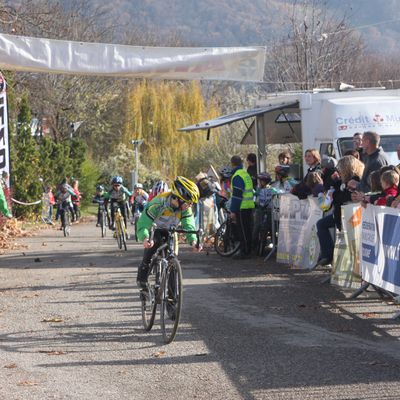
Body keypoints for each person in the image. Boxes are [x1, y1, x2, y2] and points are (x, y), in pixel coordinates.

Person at [136, 176, 201, 289]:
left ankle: (172, 300)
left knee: (173, 260)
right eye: (188, 202)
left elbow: (189, 225)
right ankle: (142, 279)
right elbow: (143, 223)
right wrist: (145, 237)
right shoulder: (158, 203)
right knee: (150, 250)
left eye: (191, 203)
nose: (190, 206)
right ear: (177, 198)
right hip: (155, 230)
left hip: (171, 231)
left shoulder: (185, 208)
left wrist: (193, 241)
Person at [315, 155, 364, 267]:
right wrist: (332, 180)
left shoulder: (355, 180)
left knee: (323, 225)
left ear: (347, 168)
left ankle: (330, 257)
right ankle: (327, 255)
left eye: (341, 168)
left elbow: (347, 196)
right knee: (321, 224)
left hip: (351, 216)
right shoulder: (342, 180)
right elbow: (328, 188)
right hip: (340, 214)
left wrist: (337, 194)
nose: (339, 171)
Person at [230, 155, 255, 259]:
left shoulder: (237, 176)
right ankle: (248, 250)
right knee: (248, 229)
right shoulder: (245, 173)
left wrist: (233, 210)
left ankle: (244, 252)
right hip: (249, 205)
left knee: (243, 231)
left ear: (232, 164)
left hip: (242, 206)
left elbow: (237, 195)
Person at [348, 131, 389, 196]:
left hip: (374, 202)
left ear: (367, 142)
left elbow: (374, 189)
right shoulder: (373, 156)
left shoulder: (376, 161)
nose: (361, 144)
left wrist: (357, 185)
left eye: (362, 140)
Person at [252, 172, 276, 253]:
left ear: (264, 181)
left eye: (260, 181)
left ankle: (273, 243)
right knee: (256, 227)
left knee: (270, 228)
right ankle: (254, 245)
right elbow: (254, 196)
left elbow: (277, 193)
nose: (259, 182)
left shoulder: (271, 189)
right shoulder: (259, 189)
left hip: (268, 211)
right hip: (259, 210)